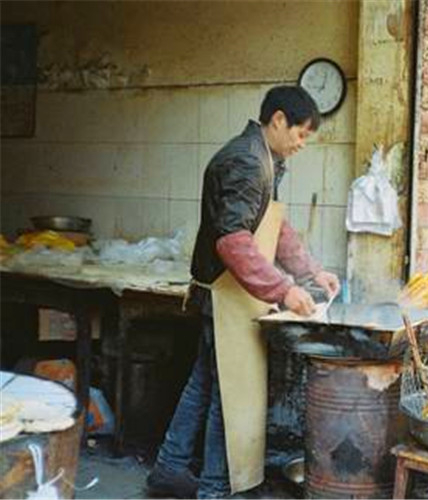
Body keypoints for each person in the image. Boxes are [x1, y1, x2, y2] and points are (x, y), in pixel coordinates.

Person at [147, 86, 339, 499]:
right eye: (301, 134)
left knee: (204, 383)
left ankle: (169, 468)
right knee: (227, 396)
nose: (302, 144)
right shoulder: (245, 161)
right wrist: (284, 290)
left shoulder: (267, 160)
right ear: (278, 120)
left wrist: (312, 271)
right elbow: (233, 241)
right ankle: (214, 490)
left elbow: (275, 227)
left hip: (230, 293)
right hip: (223, 293)